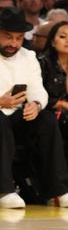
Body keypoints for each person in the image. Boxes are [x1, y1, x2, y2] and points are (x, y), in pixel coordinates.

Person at [0, 7, 68, 209]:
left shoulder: (28, 56)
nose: (14, 44)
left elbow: (38, 90)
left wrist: (36, 105)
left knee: (46, 120)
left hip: (18, 113)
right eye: (8, 37)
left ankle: (57, 191)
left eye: (19, 38)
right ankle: (3, 191)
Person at [38, 21, 68, 161]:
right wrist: (60, 104)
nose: (67, 41)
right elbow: (33, 95)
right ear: (52, 42)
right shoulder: (42, 63)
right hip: (47, 114)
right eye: (63, 36)